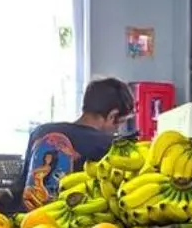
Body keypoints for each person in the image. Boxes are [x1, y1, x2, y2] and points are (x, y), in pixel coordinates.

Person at [10, 77, 133, 209]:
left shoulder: (40, 131)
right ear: (112, 116)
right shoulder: (108, 145)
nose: (117, 130)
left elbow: (20, 186)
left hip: (24, 222)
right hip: (66, 224)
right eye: (120, 123)